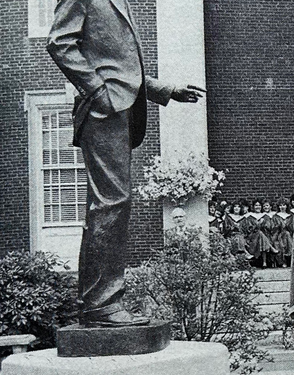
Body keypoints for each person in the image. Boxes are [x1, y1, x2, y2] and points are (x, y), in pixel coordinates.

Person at [46, 0, 206, 327]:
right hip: (102, 112)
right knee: (110, 203)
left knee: (111, 204)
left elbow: (122, 70)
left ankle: (99, 303)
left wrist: (167, 89)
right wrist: (98, 91)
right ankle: (100, 306)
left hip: (119, 111)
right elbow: (59, 42)